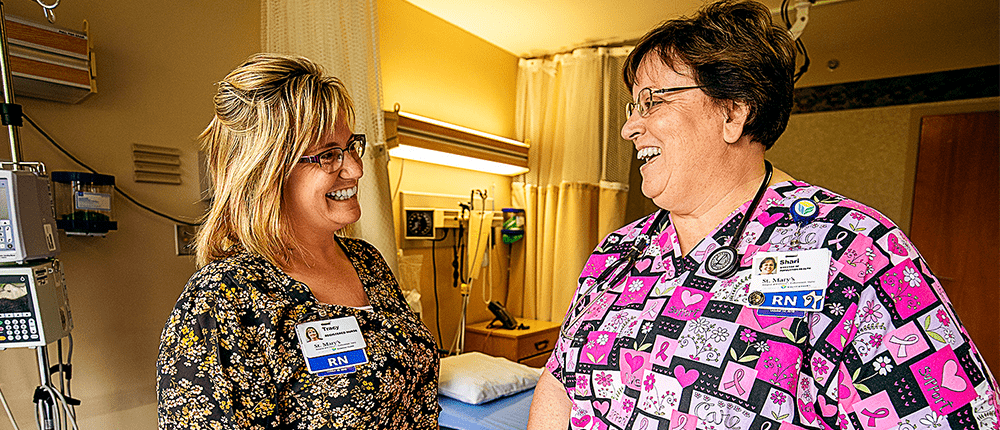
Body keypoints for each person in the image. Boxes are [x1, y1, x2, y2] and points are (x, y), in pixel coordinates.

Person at [528, 1, 999, 429]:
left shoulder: (854, 251)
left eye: (653, 99)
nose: (631, 126)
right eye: (633, 105)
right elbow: (558, 382)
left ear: (733, 112)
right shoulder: (618, 251)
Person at [157, 54, 439, 429]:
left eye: (351, 145)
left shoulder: (367, 262)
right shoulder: (223, 300)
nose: (354, 169)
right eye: (327, 155)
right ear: (267, 173)